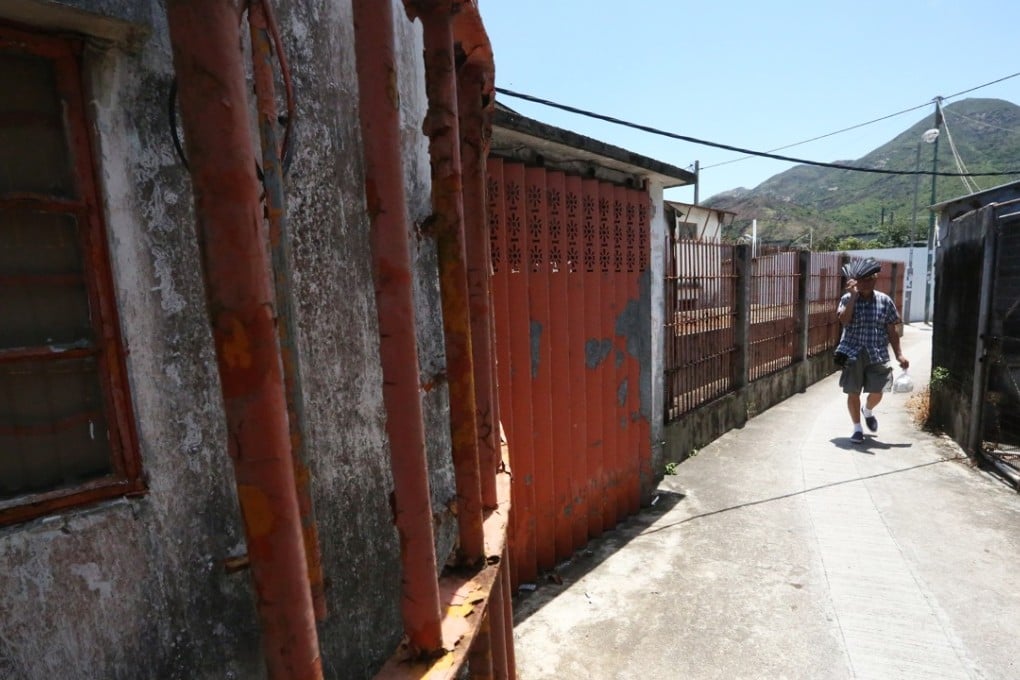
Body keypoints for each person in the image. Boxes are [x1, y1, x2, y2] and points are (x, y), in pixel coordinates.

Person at [834, 258, 909, 444]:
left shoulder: (885, 301)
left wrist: (899, 354)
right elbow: (844, 321)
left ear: (876, 279)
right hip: (852, 352)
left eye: (870, 279)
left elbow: (892, 330)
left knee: (879, 391)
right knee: (853, 392)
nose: (866, 283)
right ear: (856, 281)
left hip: (877, 352)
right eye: (862, 280)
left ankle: (867, 410)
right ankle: (857, 428)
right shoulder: (847, 299)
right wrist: (853, 296)